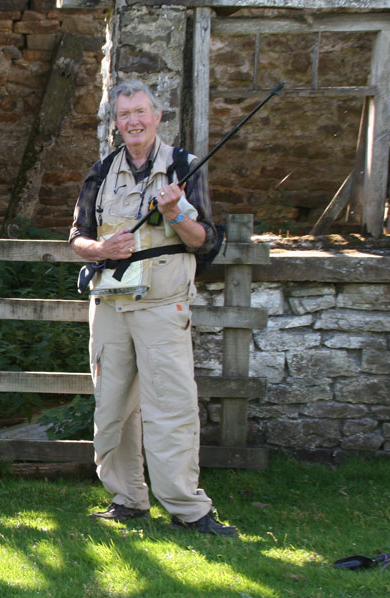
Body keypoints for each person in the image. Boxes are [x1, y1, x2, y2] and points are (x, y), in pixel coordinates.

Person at [69, 79, 236, 536]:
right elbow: (76, 239)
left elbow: (207, 243)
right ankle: (128, 500)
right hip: (110, 306)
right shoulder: (100, 173)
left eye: (140, 112)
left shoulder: (183, 167)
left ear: (157, 116)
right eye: (124, 115)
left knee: (172, 408)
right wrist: (101, 246)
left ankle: (189, 509)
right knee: (113, 408)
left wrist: (179, 211)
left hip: (164, 307)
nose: (133, 122)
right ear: (116, 123)